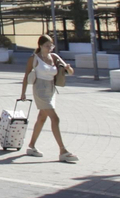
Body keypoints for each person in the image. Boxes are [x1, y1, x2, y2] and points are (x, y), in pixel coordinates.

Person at [19, 34, 78, 162]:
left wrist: (68, 68)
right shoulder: (34, 58)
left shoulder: (54, 57)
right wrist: (23, 93)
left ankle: (31, 146)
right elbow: (26, 76)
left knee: (41, 118)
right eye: (47, 45)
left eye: (51, 45)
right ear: (40, 45)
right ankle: (63, 150)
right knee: (55, 118)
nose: (50, 48)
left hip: (51, 89)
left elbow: (71, 72)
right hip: (39, 90)